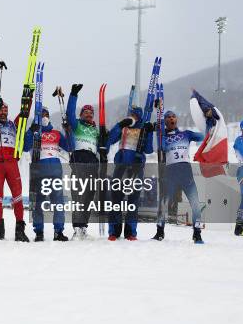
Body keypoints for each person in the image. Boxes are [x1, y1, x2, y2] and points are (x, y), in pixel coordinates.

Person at [151, 111, 205, 244]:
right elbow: (160, 147)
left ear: (176, 119)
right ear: (165, 121)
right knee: (164, 203)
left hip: (186, 171)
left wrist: (209, 121)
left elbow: (203, 136)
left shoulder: (186, 134)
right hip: (171, 172)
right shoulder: (162, 136)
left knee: (195, 203)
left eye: (173, 116)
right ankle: (159, 232)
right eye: (168, 117)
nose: (171, 119)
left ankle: (197, 234)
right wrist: (160, 130)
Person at [0, 93, 30, 242]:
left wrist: (27, 99)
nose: (4, 111)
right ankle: (0, 229)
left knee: (18, 195)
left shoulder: (12, 124)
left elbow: (24, 115)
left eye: (6, 109)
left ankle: (19, 230)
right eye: (1, 109)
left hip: (11, 163)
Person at [23, 106, 71, 242]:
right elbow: (25, 148)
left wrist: (68, 131)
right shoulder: (33, 133)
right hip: (38, 174)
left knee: (58, 204)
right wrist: (30, 131)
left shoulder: (56, 133)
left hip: (55, 173)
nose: (44, 116)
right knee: (37, 204)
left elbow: (69, 146)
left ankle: (58, 232)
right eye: (42, 114)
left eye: (46, 114)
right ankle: (39, 232)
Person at [105, 106, 154, 241]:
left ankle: (131, 232)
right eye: (132, 114)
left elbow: (149, 150)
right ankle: (114, 232)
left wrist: (150, 132)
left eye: (136, 115)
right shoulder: (124, 127)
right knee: (116, 201)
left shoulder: (143, 129)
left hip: (137, 168)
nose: (134, 117)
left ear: (141, 117)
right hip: (121, 167)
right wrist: (120, 125)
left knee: (133, 201)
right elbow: (110, 139)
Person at [66, 83, 100, 240]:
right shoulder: (77, 124)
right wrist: (73, 95)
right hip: (79, 160)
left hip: (93, 162)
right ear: (81, 114)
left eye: (90, 113)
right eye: (85, 112)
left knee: (89, 197)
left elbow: (104, 143)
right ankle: (76, 229)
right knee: (78, 196)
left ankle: (84, 227)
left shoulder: (95, 130)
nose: (88, 114)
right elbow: (69, 114)